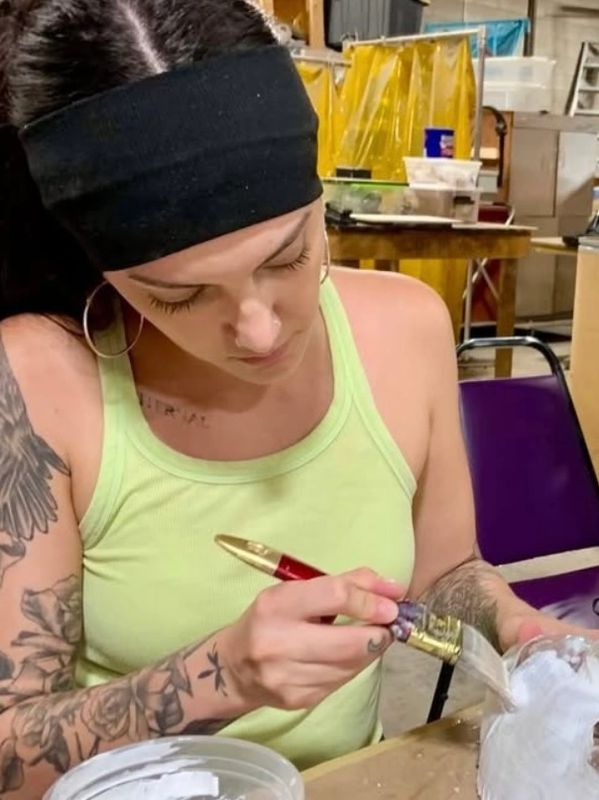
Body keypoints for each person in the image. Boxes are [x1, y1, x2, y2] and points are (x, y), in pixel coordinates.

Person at [0, 1, 590, 796]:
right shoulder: (35, 382)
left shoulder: (404, 327)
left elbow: (445, 568)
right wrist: (220, 677)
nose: (259, 331)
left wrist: (511, 623)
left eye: (287, 257)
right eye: (179, 296)